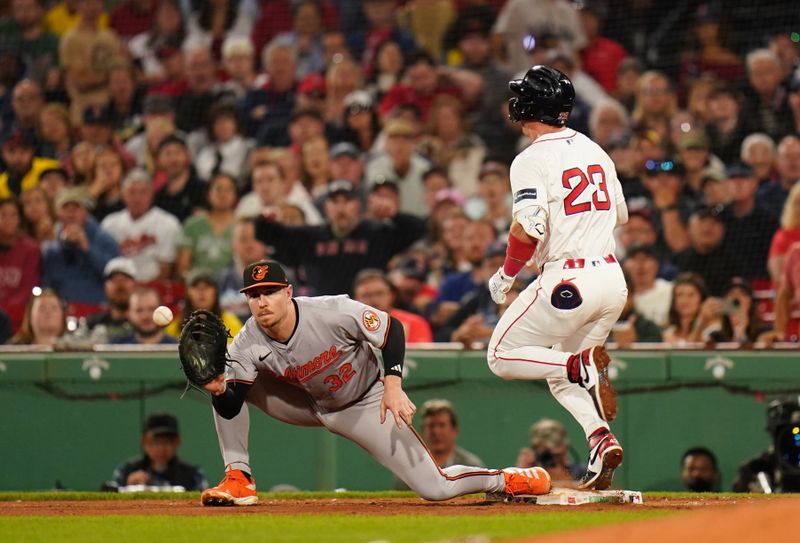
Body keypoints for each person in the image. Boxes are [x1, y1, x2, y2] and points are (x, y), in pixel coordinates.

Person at [197, 259, 550, 506]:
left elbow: (392, 328)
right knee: (229, 380)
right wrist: (217, 388)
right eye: (254, 295)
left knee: (436, 488)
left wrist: (392, 385)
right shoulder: (246, 341)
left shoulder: (331, 310)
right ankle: (238, 478)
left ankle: (505, 480)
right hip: (309, 403)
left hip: (366, 401)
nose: (261, 301)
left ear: (288, 292)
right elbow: (232, 404)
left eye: (269, 292)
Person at [485, 66, 626, 490]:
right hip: (612, 280)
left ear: (529, 106)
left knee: (501, 357)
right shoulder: (595, 149)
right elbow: (621, 214)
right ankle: (601, 440)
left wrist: (506, 276)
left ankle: (578, 363)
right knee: (555, 373)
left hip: (569, 280)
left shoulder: (530, 160)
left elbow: (528, 229)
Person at [255, 179, 426, 295]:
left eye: (347, 201)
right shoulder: (312, 237)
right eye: (335, 202)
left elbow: (418, 230)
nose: (341, 207)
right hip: (323, 313)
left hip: (367, 311)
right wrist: (266, 219)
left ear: (358, 205)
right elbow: (268, 235)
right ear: (326, 207)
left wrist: (394, 215)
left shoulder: (376, 234)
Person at [101, 169, 182, 282]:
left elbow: (166, 269)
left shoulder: (168, 223)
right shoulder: (110, 223)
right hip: (118, 288)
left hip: (154, 289)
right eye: (132, 192)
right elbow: (104, 263)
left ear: (152, 194)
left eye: (143, 192)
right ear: (123, 194)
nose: (137, 198)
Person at [42, 187, 119, 306]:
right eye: (66, 208)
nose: (71, 214)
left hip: (98, 305)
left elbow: (116, 274)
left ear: (86, 212)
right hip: (63, 308)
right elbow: (47, 284)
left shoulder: (104, 239)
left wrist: (87, 247)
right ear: (58, 213)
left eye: (76, 208)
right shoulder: (51, 247)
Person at [393, 399, 484, 490]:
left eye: (442, 425)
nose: (436, 432)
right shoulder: (410, 467)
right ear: (423, 430)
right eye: (431, 425)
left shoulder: (470, 465)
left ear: (454, 430)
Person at [111, 412, 207, 491]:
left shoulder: (193, 475)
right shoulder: (125, 471)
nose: (161, 448)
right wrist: (128, 488)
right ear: (144, 442)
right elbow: (111, 499)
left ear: (177, 442)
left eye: (167, 442)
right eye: (155, 442)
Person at [353, 269, 432, 344]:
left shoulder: (415, 323)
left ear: (392, 295)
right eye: (366, 295)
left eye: (379, 293)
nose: (374, 300)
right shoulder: (348, 325)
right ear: (355, 299)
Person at [166, 268, 242, 342]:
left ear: (215, 292)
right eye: (196, 287)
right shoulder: (175, 327)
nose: (201, 291)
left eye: (206, 287)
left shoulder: (231, 324)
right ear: (187, 293)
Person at [0, 197, 41, 331]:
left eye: (13, 215)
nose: (8, 220)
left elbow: (27, 289)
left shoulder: (31, 249)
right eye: (3, 215)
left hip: (17, 320)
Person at [516, 418, 586, 485]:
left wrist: (565, 473)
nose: (553, 461)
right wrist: (521, 472)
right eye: (548, 456)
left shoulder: (580, 472)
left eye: (558, 455)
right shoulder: (529, 472)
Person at [86, 256, 136, 340]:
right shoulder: (93, 325)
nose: (120, 285)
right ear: (105, 286)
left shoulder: (146, 324)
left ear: (136, 285)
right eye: (114, 280)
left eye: (125, 279)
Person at [109, 286, 176, 345]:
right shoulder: (116, 347)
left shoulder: (177, 348)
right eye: (139, 310)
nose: (145, 316)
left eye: (152, 309)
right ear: (129, 314)